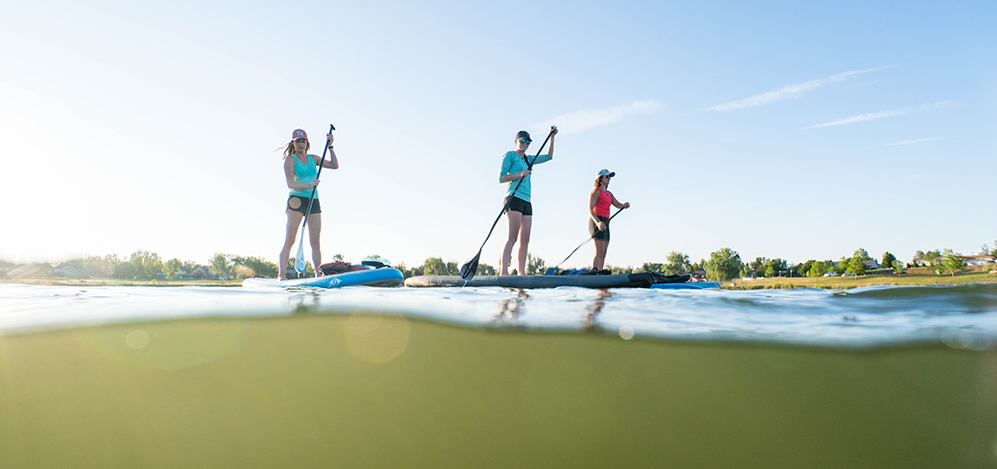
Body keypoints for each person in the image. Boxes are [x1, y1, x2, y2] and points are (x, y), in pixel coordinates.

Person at [278, 128, 339, 280]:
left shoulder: (314, 159)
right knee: (290, 240)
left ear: (307, 143)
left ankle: (319, 274)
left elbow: (334, 165)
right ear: (294, 143)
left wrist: (330, 146)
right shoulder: (290, 160)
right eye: (298, 141)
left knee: (315, 242)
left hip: (313, 200)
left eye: (303, 141)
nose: (301, 144)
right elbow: (290, 184)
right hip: (296, 200)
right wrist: (309, 185)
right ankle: (281, 275)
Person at [499, 126, 557, 275]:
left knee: (525, 239)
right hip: (514, 197)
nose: (525, 143)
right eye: (522, 141)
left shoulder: (528, 159)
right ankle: (504, 271)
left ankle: (521, 273)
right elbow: (502, 178)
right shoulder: (510, 155)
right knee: (512, 237)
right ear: (516, 142)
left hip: (527, 200)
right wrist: (520, 174)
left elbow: (548, 157)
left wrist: (551, 138)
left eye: (528, 142)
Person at [588, 169, 629, 271]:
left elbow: (618, 205)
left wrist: (624, 205)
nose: (609, 179)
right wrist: (598, 221)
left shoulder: (609, 194)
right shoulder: (596, 191)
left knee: (604, 251)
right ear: (600, 179)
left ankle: (600, 272)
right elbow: (590, 209)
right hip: (597, 221)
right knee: (599, 251)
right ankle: (594, 270)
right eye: (607, 177)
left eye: (609, 177)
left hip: (606, 222)